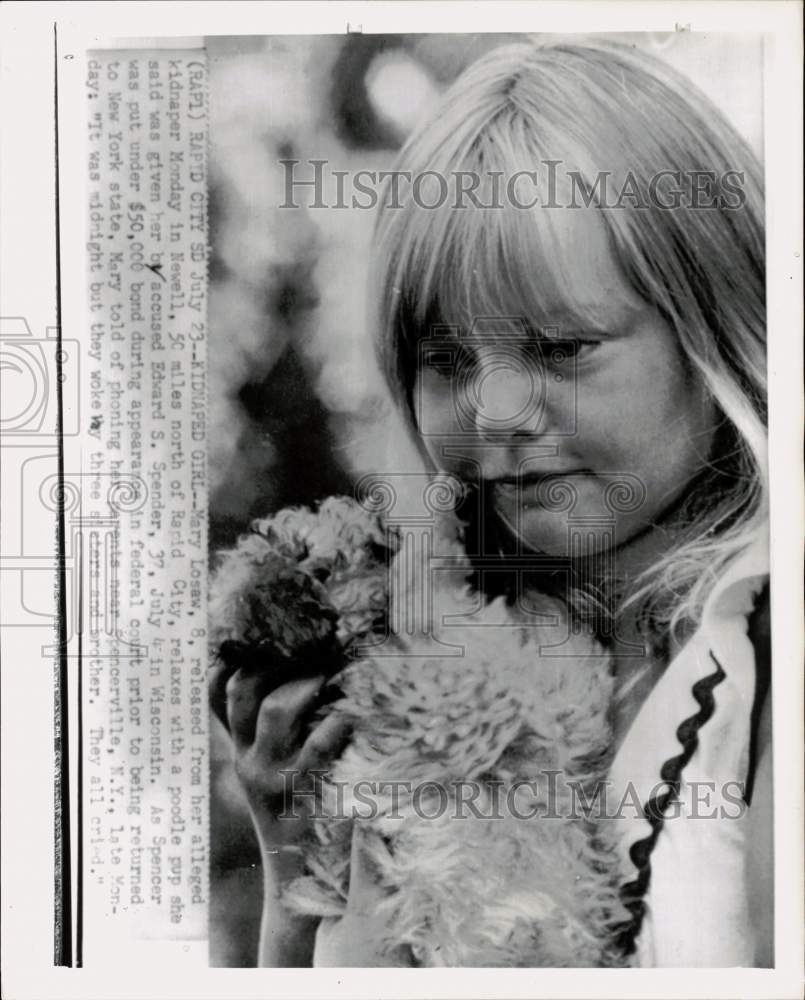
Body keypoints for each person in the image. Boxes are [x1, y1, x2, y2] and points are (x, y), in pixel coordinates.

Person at [209, 40, 771, 967]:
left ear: (711, 323)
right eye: (448, 361)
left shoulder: (756, 647)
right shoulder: (432, 668)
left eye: (561, 347)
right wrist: (295, 887)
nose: (496, 413)